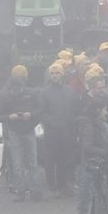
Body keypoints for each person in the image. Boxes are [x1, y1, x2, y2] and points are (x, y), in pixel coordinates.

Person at [0, 65, 45, 201]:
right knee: (17, 164)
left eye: (18, 90)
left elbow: (41, 109)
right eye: (13, 90)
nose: (16, 92)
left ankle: (36, 192)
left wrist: (31, 115)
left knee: (32, 163)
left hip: (28, 130)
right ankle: (21, 192)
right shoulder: (4, 95)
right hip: (14, 131)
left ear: (23, 86)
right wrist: (9, 117)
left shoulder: (33, 93)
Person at [41, 62, 79, 197]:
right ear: (49, 76)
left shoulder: (69, 90)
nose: (55, 76)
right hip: (52, 131)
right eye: (52, 73)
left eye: (57, 73)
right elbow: (42, 113)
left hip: (67, 130)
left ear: (62, 74)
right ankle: (51, 186)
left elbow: (74, 109)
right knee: (50, 159)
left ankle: (63, 185)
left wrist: (71, 124)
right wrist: (53, 123)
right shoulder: (44, 92)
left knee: (64, 158)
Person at [77, 97, 108, 214]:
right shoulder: (90, 125)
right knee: (91, 188)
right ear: (98, 110)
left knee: (100, 188)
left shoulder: (99, 123)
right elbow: (87, 146)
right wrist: (104, 151)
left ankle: (103, 211)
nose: (106, 112)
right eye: (105, 109)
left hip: (98, 160)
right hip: (92, 162)